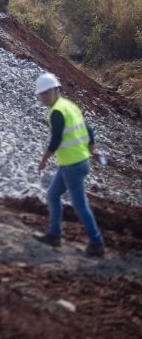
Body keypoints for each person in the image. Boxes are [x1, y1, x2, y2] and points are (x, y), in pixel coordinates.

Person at [33, 72, 105, 257]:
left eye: (41, 95)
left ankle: (96, 243)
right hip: (72, 163)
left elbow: (56, 140)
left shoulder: (57, 111)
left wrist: (43, 159)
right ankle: (54, 235)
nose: (40, 99)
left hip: (73, 164)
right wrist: (93, 147)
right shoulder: (68, 106)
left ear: (50, 92)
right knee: (53, 195)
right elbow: (88, 128)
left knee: (80, 205)